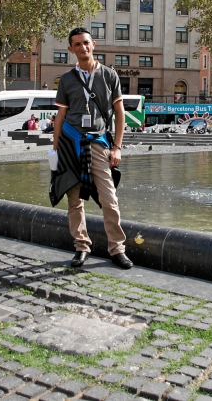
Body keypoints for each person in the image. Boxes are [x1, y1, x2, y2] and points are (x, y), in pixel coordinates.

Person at [50, 27, 132, 270]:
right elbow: (60, 116)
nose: (82, 47)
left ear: (93, 44)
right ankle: (81, 247)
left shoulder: (109, 75)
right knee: (74, 201)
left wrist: (117, 147)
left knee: (110, 199)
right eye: (77, 44)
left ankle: (117, 249)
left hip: (98, 144)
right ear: (71, 49)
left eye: (86, 43)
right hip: (70, 143)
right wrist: (55, 151)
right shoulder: (66, 79)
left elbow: (119, 113)